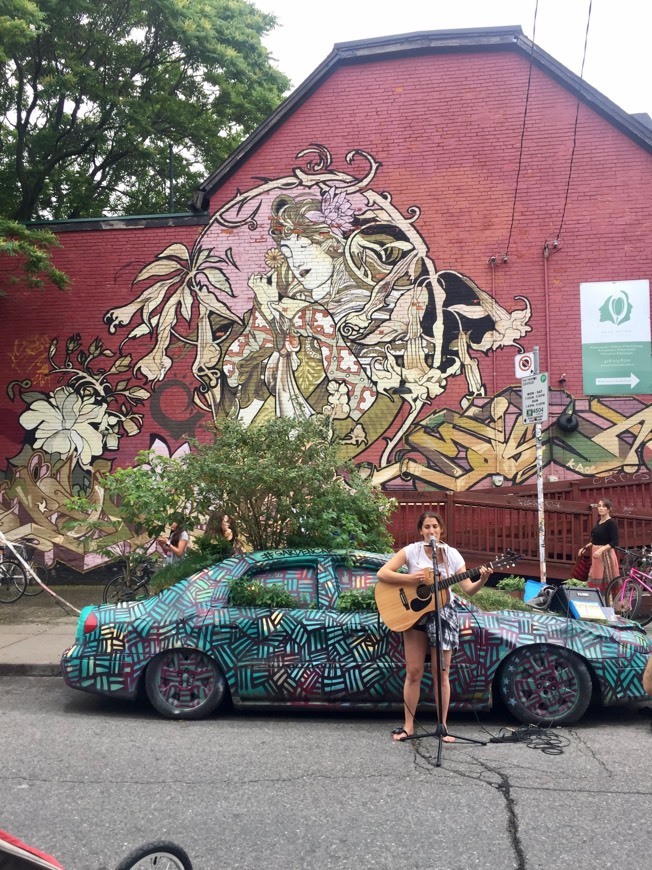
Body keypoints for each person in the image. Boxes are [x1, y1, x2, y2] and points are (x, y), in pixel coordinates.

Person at [376, 511, 491, 743]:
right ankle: (409, 726)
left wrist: (483, 579)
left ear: (441, 530)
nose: (431, 531)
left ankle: (443, 727)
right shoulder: (411, 551)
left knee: (442, 673)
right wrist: (411, 580)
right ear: (421, 530)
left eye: (435, 527)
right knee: (414, 672)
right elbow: (383, 573)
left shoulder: (451, 555)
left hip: (443, 614)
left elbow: (468, 589)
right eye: (427, 527)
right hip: (415, 615)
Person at [579, 498, 619, 596]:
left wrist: (601, 550)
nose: (600, 508)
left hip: (606, 555)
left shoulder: (611, 523)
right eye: (599, 506)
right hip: (596, 555)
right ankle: (597, 600)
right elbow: (596, 540)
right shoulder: (599, 522)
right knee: (595, 577)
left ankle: (613, 605)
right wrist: (585, 548)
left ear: (609, 509)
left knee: (607, 578)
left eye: (604, 506)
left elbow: (615, 542)